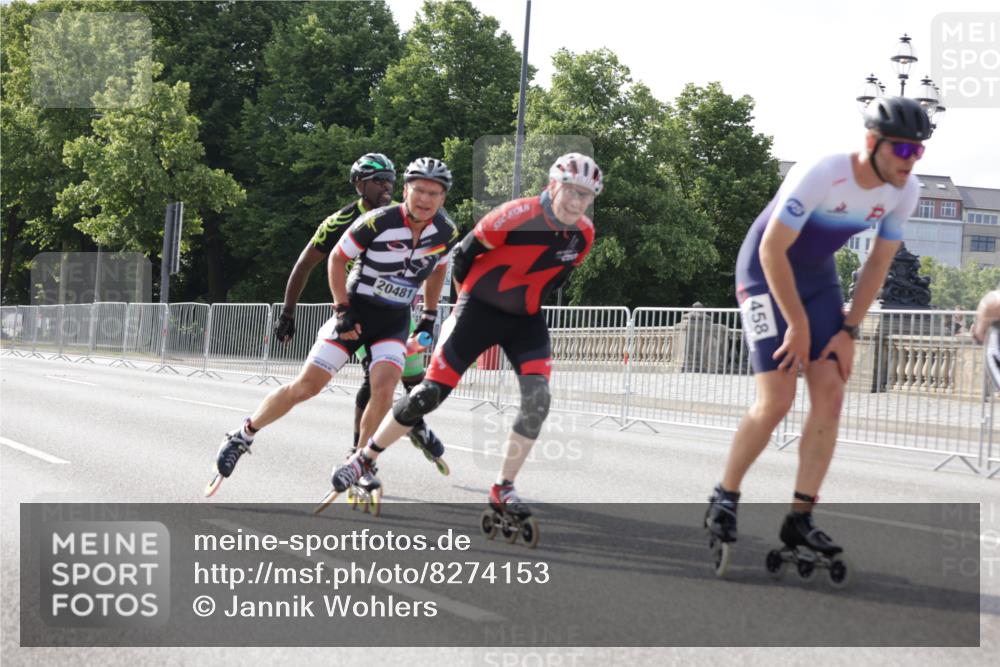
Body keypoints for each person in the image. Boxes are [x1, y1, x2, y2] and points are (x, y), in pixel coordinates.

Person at [704, 97, 930, 565]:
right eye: (903, 151)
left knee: (830, 393)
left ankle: (800, 516)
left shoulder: (905, 191)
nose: (912, 162)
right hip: (763, 274)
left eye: (919, 151)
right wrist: (798, 325)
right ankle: (725, 495)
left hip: (817, 281)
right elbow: (771, 251)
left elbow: (876, 266)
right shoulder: (823, 173)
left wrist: (849, 330)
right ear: (872, 143)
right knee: (778, 399)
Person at [328, 153, 602, 529]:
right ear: (552, 186)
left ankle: (503, 488)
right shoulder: (515, 215)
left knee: (539, 399)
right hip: (478, 310)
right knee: (428, 395)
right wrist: (463, 304)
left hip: (525, 319)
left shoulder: (584, 234)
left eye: (585, 196)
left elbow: (558, 277)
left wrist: (526, 303)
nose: (576, 202)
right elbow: (463, 257)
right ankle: (366, 456)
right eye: (571, 191)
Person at [207, 157, 458, 495]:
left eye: (434, 193)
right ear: (406, 191)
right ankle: (243, 435)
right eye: (419, 191)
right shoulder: (377, 221)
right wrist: (342, 310)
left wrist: (428, 314)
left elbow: (439, 267)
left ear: (443, 198)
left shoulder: (446, 231)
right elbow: (337, 259)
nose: (425, 199)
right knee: (307, 387)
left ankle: (361, 460)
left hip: (393, 321)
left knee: (384, 387)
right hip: (357, 311)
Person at [270, 153, 443, 461]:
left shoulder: (402, 216)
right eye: (378, 181)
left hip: (394, 308)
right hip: (355, 308)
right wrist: (288, 312)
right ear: (358, 185)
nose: (386, 187)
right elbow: (305, 264)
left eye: (390, 180)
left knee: (412, 369)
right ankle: (358, 450)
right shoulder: (342, 220)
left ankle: (415, 421)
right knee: (374, 377)